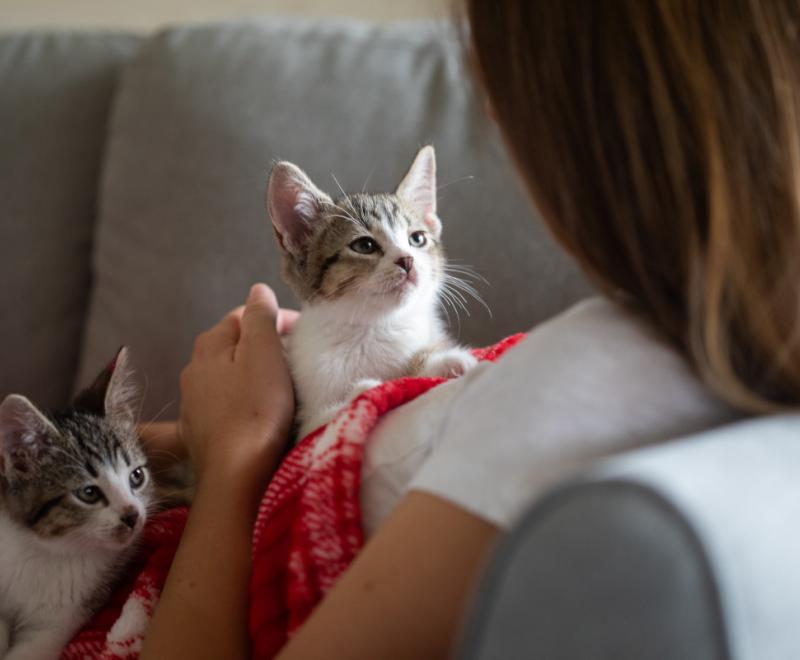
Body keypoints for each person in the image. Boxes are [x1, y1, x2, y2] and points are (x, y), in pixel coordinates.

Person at [139, 1, 800, 658]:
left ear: (573, 116)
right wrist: (181, 437)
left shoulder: (572, 386)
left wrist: (233, 456)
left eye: (497, 84)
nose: (489, 110)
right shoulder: (723, 352)